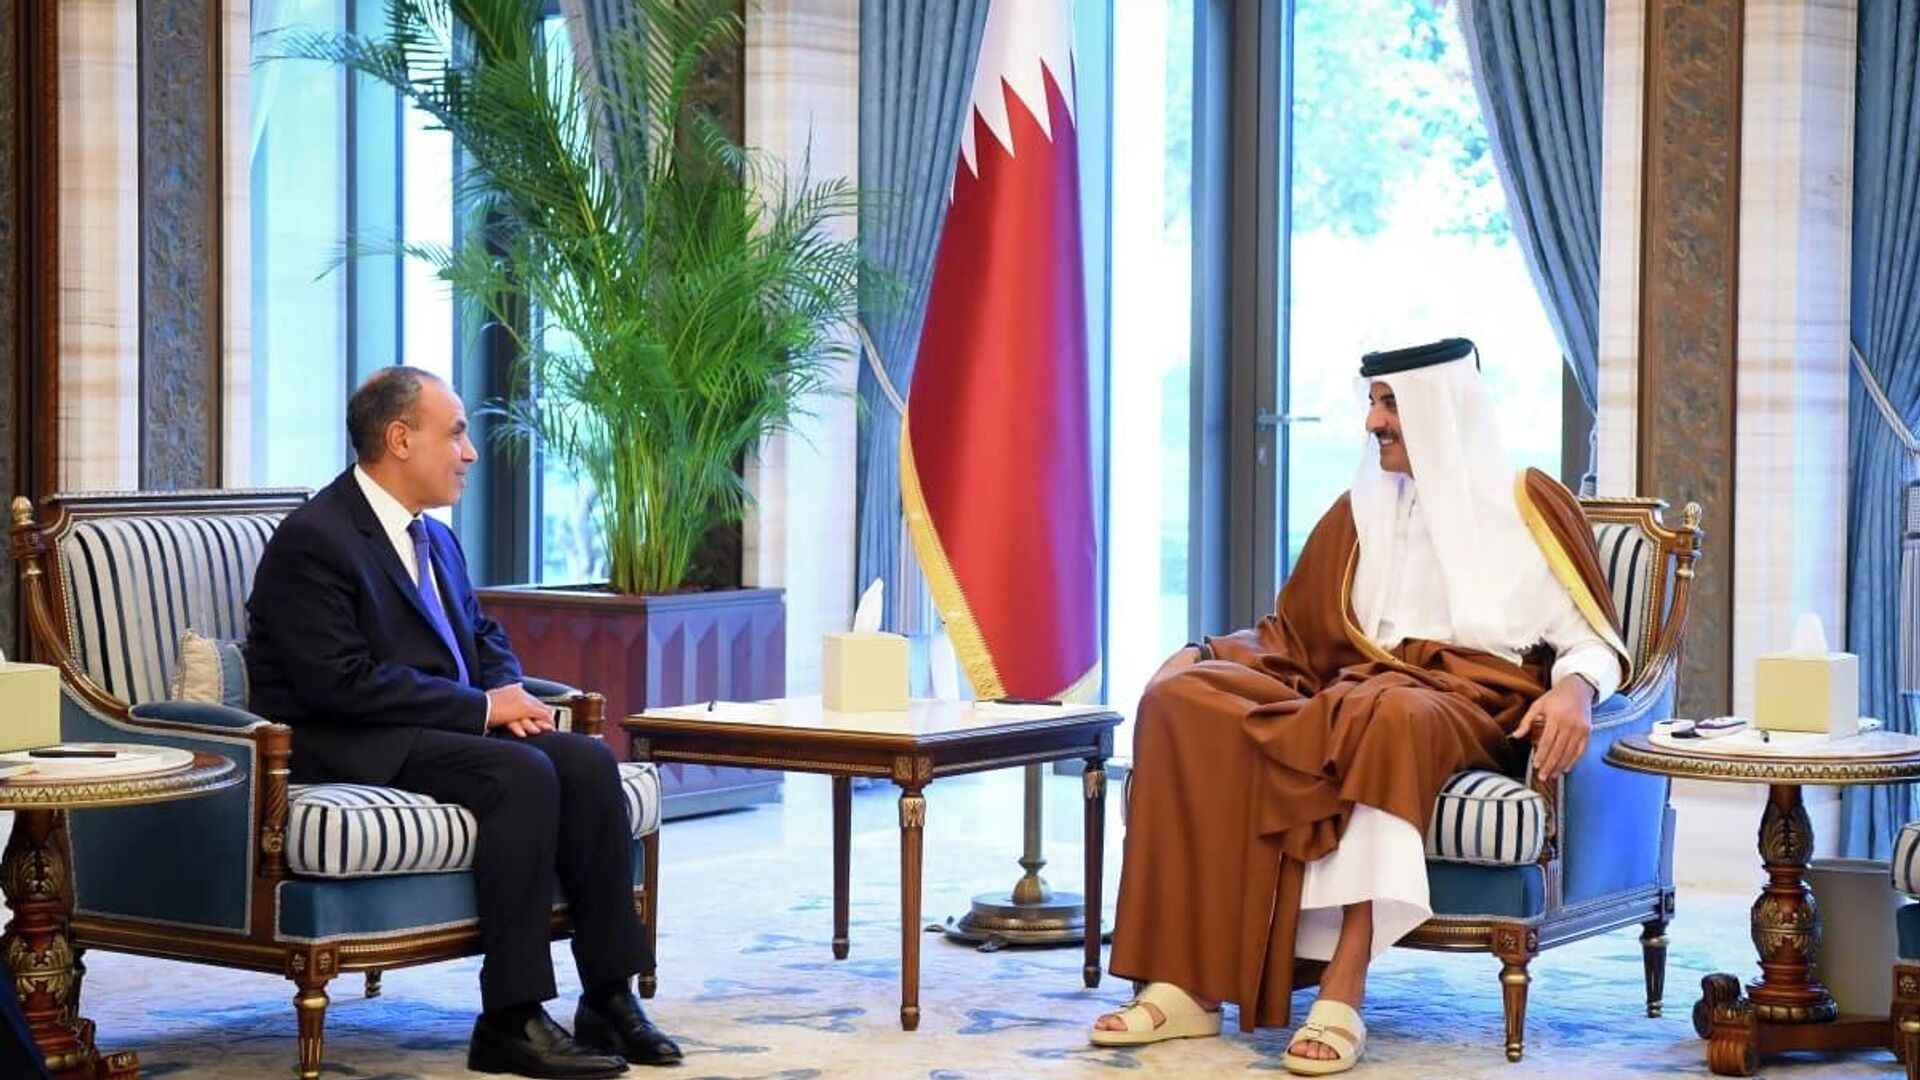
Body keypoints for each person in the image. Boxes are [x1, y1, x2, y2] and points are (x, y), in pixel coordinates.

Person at [1089, 339, 1628, 1075]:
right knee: (1179, 699)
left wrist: (1576, 688)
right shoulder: (1359, 509)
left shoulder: (1528, 503)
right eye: (1372, 403)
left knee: (1387, 712)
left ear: (1441, 407)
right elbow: (1292, 636)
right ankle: (1186, 984)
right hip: (1351, 688)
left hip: (1469, 698)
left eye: (1391, 403)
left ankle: (1343, 987)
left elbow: (1593, 636)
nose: (1373, 422)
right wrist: (1205, 653)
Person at [247, 366, 681, 1079]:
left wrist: (505, 691)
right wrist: (481, 710)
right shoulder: (316, 540)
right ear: (400, 439)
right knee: (520, 773)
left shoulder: (435, 538)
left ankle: (608, 995)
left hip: (431, 727)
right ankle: (510, 1018)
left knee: (587, 761)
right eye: (455, 434)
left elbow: (481, 634)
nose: (470, 452)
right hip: (349, 738)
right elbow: (337, 683)